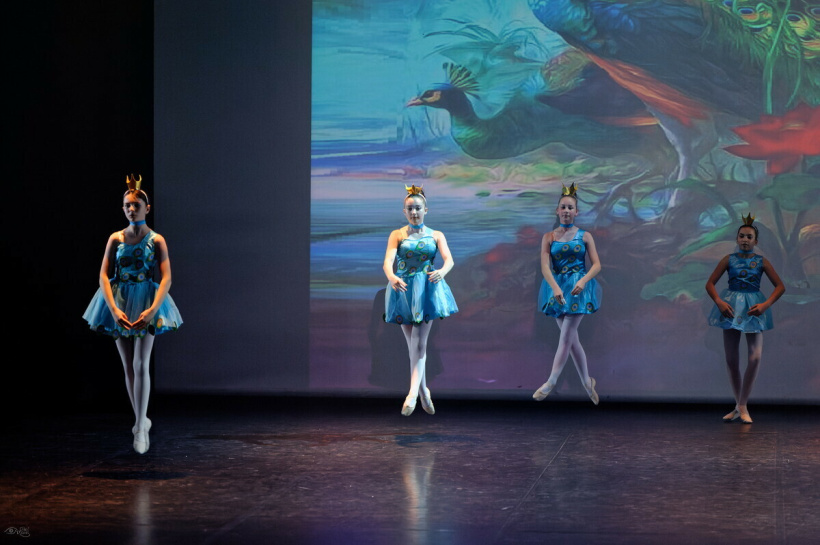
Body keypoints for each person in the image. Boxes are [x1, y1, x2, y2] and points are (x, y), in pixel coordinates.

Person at [83, 174, 183, 453]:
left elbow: (166, 278)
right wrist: (113, 309)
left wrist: (153, 309)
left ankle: (140, 427)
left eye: (135, 205)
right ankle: (140, 420)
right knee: (128, 365)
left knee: (141, 363)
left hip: (146, 300)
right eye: (127, 205)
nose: (130, 209)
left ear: (146, 208)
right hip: (119, 301)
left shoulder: (156, 240)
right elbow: (103, 275)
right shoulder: (115, 238)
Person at [383, 185, 457, 415]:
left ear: (426, 209)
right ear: (404, 211)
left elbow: (449, 260)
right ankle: (424, 390)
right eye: (410, 209)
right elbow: (387, 262)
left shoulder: (436, 235)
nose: (414, 212)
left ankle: (412, 393)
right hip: (403, 289)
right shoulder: (397, 234)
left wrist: (442, 272)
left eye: (418, 208)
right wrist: (392, 276)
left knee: (420, 342)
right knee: (412, 346)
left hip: (426, 289)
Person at [705, 214, 784, 424]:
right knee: (731, 360)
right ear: (737, 238)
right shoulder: (728, 259)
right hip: (730, 307)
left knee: (755, 356)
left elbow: (780, 286)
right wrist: (719, 302)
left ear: (756, 241)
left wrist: (765, 305)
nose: (745, 240)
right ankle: (739, 405)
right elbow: (710, 283)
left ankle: (742, 404)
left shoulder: (761, 261)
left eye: (749, 237)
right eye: (742, 236)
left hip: (753, 308)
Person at [533, 183, 602, 404]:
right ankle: (586, 381)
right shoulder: (549, 237)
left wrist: (583, 281)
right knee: (572, 341)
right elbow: (545, 267)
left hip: (578, 289)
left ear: (576, 212)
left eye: (570, 208)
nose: (566, 211)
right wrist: (554, 288)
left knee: (566, 337)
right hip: (557, 288)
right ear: (557, 210)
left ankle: (551, 381)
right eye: (563, 207)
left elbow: (597, 265)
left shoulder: (585, 236)